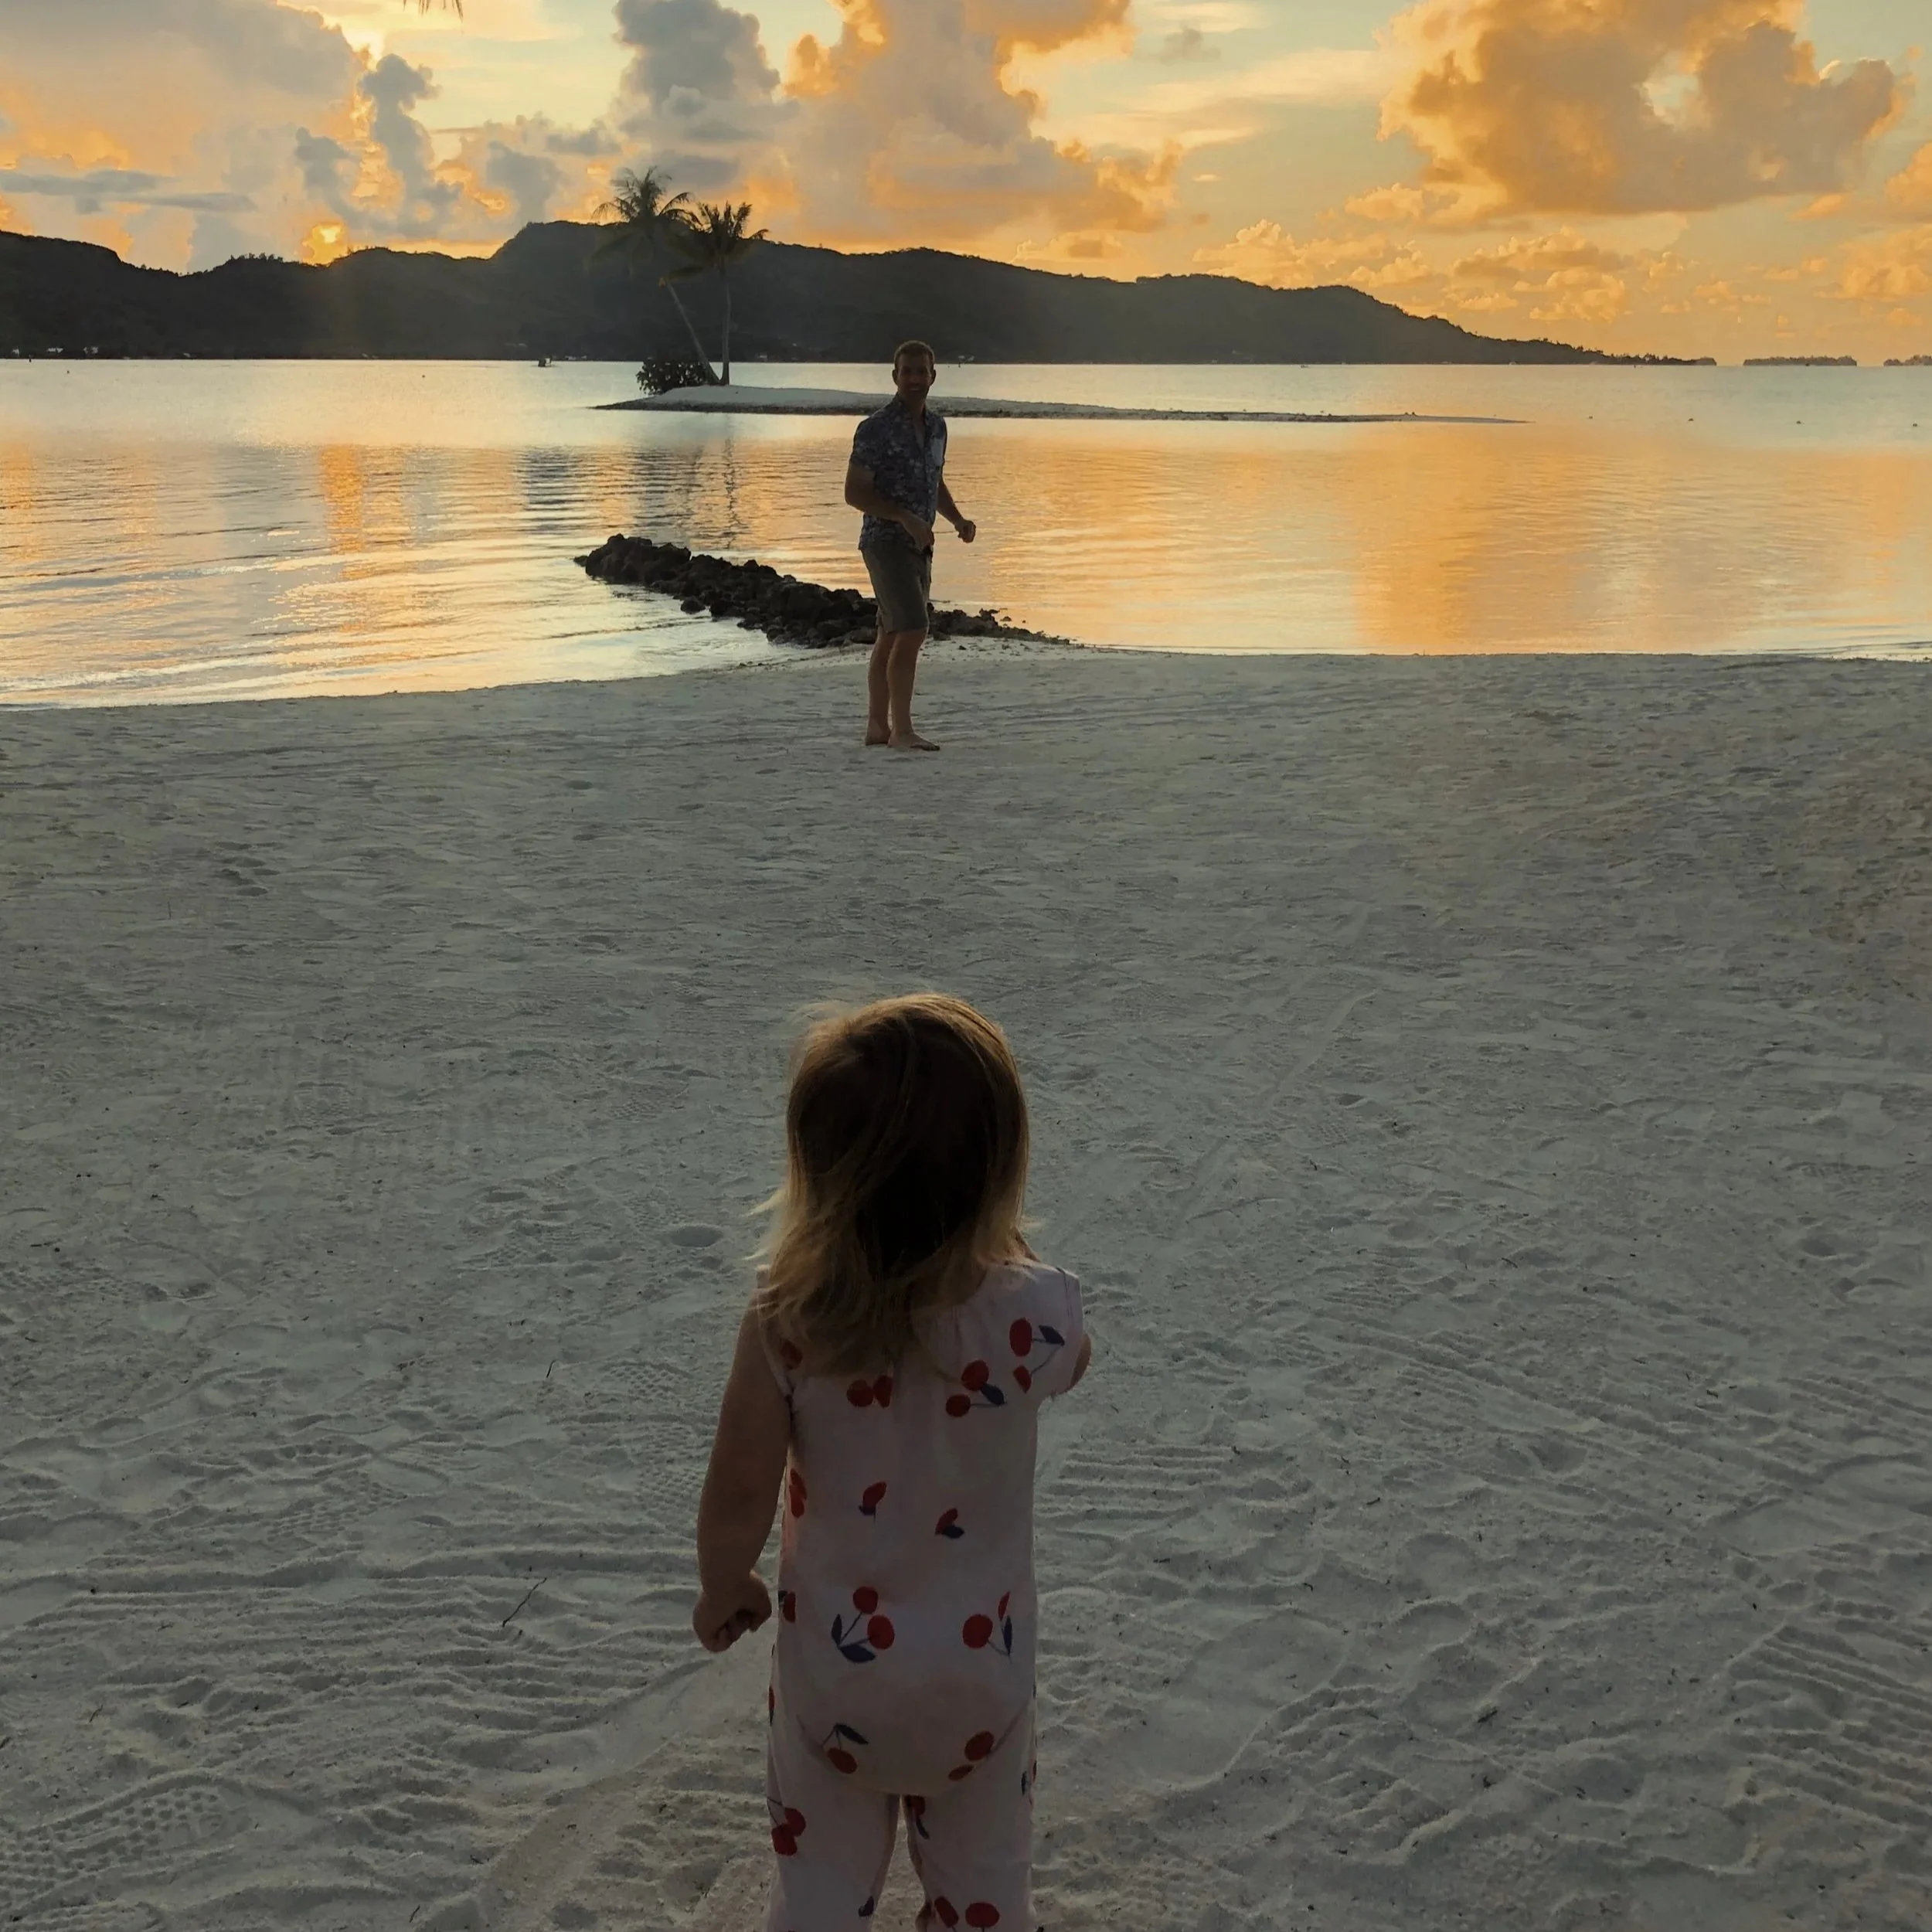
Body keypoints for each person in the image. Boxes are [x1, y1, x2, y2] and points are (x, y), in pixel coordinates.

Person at [692, 994, 1093, 1931]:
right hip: (977, 1690)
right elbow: (1076, 1360)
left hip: (838, 1686)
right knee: (986, 1886)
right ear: (999, 1173)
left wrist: (723, 1584)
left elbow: (742, 1479)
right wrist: (1004, 1262)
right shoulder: (1034, 1317)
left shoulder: (789, 1320)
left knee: (820, 1893)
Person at [844, 342, 977, 752]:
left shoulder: (938, 427)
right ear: (895, 377)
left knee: (890, 632)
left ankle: (876, 727)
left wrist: (957, 519)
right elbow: (854, 493)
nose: (916, 379)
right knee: (914, 628)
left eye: (922, 371)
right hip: (885, 543)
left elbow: (933, 481)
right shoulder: (875, 429)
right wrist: (903, 516)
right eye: (908, 372)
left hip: (921, 545)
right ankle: (901, 730)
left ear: (933, 376)